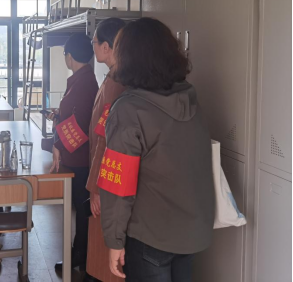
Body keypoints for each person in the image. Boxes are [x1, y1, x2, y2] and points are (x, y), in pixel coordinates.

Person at [100, 18, 215, 281]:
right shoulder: (189, 98)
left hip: (150, 236)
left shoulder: (129, 109)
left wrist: (114, 241)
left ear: (127, 57)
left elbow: (118, 186)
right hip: (192, 232)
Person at [50, 34, 99, 275]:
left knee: (82, 209)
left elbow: (80, 126)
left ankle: (81, 255)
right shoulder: (82, 79)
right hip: (76, 156)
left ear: (69, 57)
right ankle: (80, 254)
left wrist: (58, 145)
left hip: (80, 159)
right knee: (80, 209)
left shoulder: (84, 82)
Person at [86, 18, 127, 282]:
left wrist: (95, 187)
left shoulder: (116, 82)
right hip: (107, 174)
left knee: (108, 248)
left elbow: (105, 138)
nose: (92, 46)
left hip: (107, 178)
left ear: (106, 47)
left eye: (94, 41)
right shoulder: (114, 75)